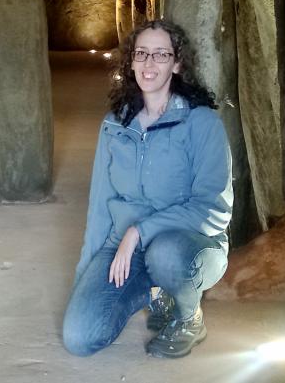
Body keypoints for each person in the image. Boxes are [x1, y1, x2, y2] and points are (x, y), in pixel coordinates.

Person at [62, 18, 233, 359]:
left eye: (160, 55)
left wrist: (140, 231)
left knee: (165, 255)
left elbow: (213, 209)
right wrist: (84, 277)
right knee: (79, 337)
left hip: (188, 245)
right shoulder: (115, 124)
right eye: (141, 54)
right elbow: (100, 205)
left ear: (177, 63)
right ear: (131, 61)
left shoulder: (202, 123)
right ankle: (157, 293)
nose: (149, 64)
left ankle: (188, 318)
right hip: (124, 244)